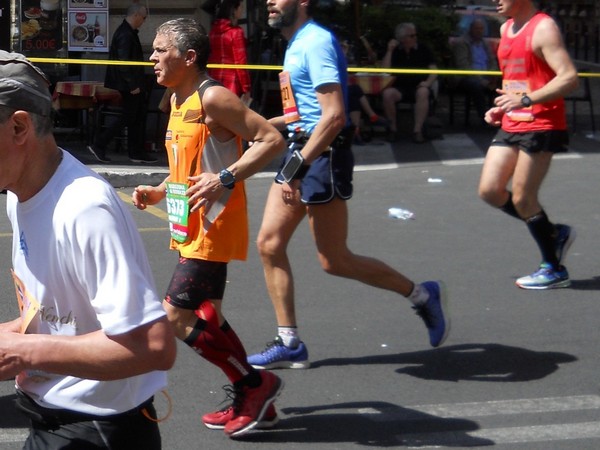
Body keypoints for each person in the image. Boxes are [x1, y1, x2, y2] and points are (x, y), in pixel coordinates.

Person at [246, 0, 450, 371]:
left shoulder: (316, 42)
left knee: (335, 260)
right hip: (303, 149)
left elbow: (334, 116)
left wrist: (297, 165)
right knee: (269, 244)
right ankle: (289, 342)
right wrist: (252, 124)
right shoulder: (295, 44)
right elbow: (300, 113)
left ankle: (422, 295)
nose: (269, 2)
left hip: (322, 155)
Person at [0, 50, 176, 449]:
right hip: (51, 417)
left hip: (97, 431)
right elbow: (59, 317)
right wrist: (12, 337)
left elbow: (153, 345)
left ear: (19, 127)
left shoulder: (84, 207)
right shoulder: (21, 193)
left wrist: (23, 350)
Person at [132, 18, 286, 438]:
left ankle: (256, 383)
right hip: (188, 225)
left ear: (189, 57)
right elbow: (188, 164)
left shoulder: (213, 97)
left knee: (177, 318)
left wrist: (226, 178)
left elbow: (272, 139)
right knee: (208, 316)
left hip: (213, 225)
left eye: (161, 50)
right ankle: (254, 398)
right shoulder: (177, 100)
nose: (153, 57)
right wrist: (160, 190)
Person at [478, 0, 579, 289]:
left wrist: (525, 100)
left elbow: (569, 78)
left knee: (523, 199)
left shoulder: (543, 28)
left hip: (542, 123)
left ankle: (553, 267)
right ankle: (551, 232)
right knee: (489, 191)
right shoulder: (506, 27)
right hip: (513, 121)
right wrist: (503, 107)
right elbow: (518, 80)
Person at [87, 3, 157, 164]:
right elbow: (123, 61)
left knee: (136, 116)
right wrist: (132, 84)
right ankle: (100, 144)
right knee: (129, 116)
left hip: (130, 83)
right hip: (128, 84)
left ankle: (136, 152)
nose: (144, 21)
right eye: (144, 18)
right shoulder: (125, 34)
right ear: (136, 16)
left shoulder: (127, 32)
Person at [381, 22, 438, 143]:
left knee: (423, 92)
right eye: (411, 36)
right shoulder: (396, 50)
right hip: (399, 86)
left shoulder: (423, 49)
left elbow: (434, 71)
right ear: (402, 39)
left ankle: (417, 131)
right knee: (387, 94)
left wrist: (427, 83)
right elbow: (384, 71)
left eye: (415, 35)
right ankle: (393, 129)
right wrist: (389, 51)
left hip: (418, 85)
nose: (415, 38)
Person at [451, 18, 499, 123]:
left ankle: (502, 115)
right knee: (475, 85)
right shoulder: (461, 43)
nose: (479, 31)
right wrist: (483, 82)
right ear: (471, 29)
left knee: (505, 83)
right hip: (466, 77)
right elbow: (464, 67)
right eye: (477, 29)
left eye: (481, 29)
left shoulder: (485, 43)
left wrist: (493, 76)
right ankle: (484, 117)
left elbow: (492, 61)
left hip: (486, 75)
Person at [207, 0, 253, 105]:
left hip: (214, 81)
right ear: (233, 10)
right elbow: (240, 63)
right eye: (240, 8)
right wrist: (246, 88)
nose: (242, 11)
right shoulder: (236, 32)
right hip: (232, 83)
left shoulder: (213, 31)